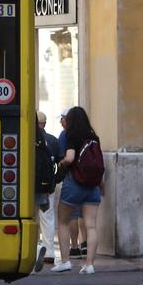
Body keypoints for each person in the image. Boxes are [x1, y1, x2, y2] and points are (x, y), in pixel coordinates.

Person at [51, 106, 103, 274]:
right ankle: (89, 264)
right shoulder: (94, 137)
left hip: (74, 183)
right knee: (91, 226)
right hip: (93, 186)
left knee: (63, 222)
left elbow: (70, 158)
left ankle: (65, 261)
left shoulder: (71, 135)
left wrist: (60, 164)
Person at [58, 109, 87, 259]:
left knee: (72, 215)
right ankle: (85, 244)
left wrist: (61, 164)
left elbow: (67, 157)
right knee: (86, 215)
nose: (61, 121)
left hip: (73, 178)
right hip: (89, 179)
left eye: (62, 118)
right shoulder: (90, 134)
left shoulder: (66, 135)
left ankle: (74, 247)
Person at [36, 111, 60, 264]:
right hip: (47, 187)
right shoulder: (53, 140)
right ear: (44, 124)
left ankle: (31, 250)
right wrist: (56, 179)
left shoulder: (28, 138)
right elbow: (62, 162)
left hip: (29, 187)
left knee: (31, 218)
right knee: (47, 218)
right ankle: (49, 252)